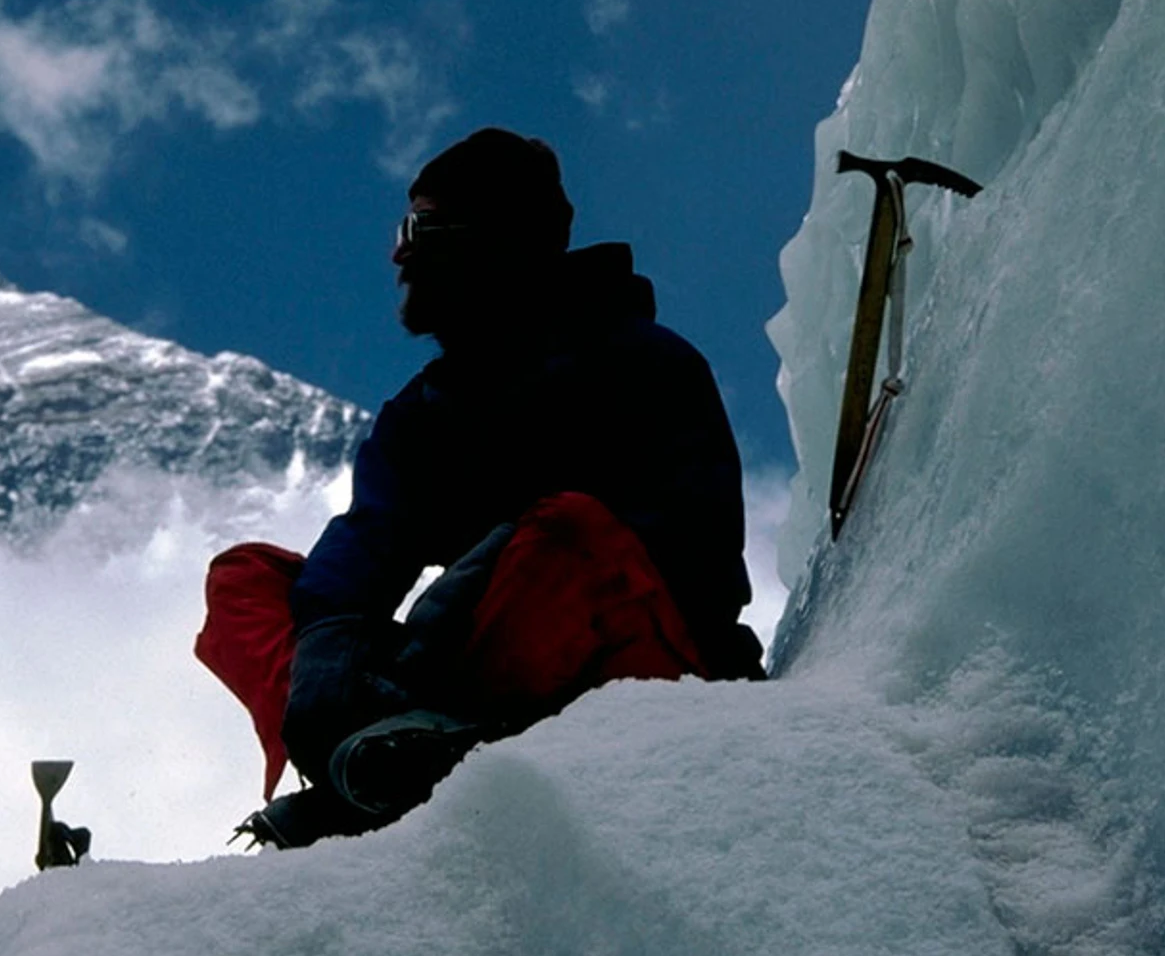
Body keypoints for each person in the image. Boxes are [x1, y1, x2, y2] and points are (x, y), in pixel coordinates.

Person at [196, 127, 764, 849]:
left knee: (568, 531)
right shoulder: (426, 412)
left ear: (496, 243)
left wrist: (457, 606)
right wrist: (328, 651)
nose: (401, 252)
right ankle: (365, 759)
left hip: (642, 668)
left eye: (422, 229)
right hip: (455, 681)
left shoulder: (642, 364)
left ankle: (424, 745)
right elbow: (370, 539)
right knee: (246, 579)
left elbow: (688, 554)